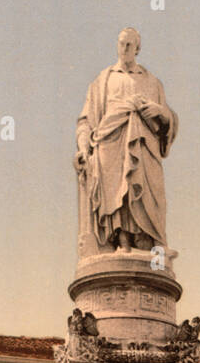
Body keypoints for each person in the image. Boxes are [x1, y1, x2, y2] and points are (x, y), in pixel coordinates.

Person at [74, 27, 178, 252]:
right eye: (121, 44)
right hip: (110, 144)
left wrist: (160, 111)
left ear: (138, 48)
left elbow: (170, 120)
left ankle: (149, 242)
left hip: (144, 147)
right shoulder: (103, 81)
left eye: (129, 45)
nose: (124, 48)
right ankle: (122, 241)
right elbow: (85, 121)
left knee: (147, 195)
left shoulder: (152, 82)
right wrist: (83, 148)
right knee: (118, 191)